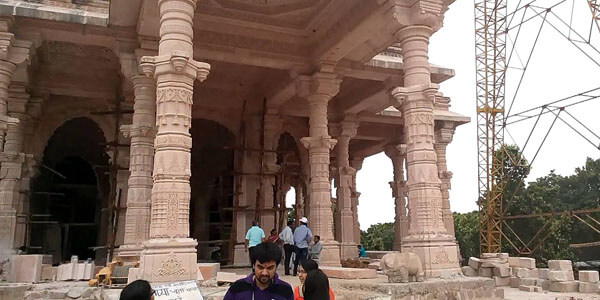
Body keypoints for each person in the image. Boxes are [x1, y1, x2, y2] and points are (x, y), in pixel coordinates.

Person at [224, 242, 294, 300]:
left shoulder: (285, 290)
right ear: (253, 265)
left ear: (276, 267)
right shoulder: (237, 287)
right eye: (260, 267)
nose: (264, 273)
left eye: (270, 268)